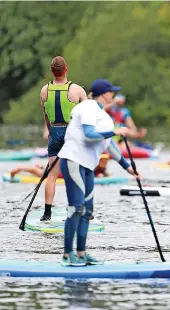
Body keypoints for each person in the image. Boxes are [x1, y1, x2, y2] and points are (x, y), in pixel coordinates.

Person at [57, 79, 137, 266]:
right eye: (112, 92)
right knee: (76, 208)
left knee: (87, 212)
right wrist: (116, 131)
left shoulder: (104, 116)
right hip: (72, 160)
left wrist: (128, 167)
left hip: (87, 165)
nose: (114, 96)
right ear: (104, 93)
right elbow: (89, 134)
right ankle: (67, 255)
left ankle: (82, 254)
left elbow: (109, 147)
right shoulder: (87, 107)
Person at [40, 56, 87, 222]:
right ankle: (78, 209)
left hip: (54, 132)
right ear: (66, 69)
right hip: (71, 133)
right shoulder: (77, 90)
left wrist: (51, 131)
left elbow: (46, 116)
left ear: (52, 72)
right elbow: (86, 117)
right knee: (76, 173)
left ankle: (47, 213)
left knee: (52, 176)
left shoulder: (44, 90)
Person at [9, 155, 111, 178]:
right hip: (61, 173)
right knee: (41, 174)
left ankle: (38, 166)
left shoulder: (100, 169)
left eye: (106, 162)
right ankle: (20, 168)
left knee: (45, 170)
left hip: (63, 171)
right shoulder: (92, 166)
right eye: (103, 161)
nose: (105, 163)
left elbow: (106, 175)